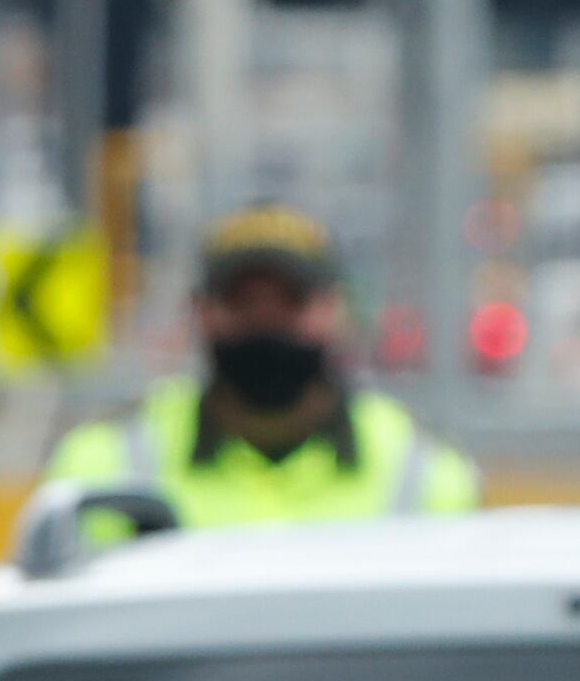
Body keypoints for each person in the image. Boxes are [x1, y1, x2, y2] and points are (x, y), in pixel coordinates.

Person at [44, 204, 480, 528]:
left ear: (336, 309)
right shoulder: (101, 468)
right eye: (241, 301)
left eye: (290, 300)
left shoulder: (426, 474)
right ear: (200, 311)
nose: (265, 321)